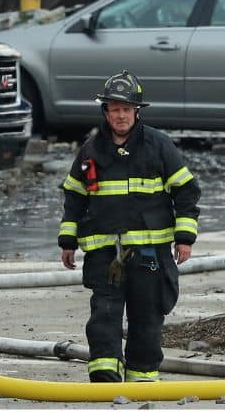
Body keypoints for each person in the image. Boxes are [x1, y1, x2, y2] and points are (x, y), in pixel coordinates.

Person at [57, 70, 201, 383]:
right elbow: (74, 196)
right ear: (105, 112)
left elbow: (186, 191)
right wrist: (68, 241)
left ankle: (142, 377)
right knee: (104, 314)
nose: (120, 115)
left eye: (126, 109)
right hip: (104, 253)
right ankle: (105, 373)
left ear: (137, 111)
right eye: (114, 109)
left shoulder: (158, 146)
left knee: (147, 316)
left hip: (149, 253)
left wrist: (184, 238)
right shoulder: (91, 150)